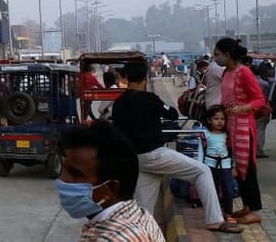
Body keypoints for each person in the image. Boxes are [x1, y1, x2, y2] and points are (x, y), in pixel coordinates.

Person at [111, 62, 240, 234]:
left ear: (126, 78)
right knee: (202, 171)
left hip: (135, 159)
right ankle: (215, 220)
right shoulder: (150, 99)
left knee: (144, 208)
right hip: (155, 154)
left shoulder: (118, 103)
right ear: (145, 78)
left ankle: (139, 234)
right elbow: (171, 113)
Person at [57, 122, 164, 241]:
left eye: (76, 174)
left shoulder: (114, 239)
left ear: (111, 188)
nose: (62, 180)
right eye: (64, 170)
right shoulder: (137, 215)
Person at [214, 38, 266, 225]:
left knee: (248, 169)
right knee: (238, 168)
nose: (215, 58)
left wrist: (241, 109)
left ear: (228, 55)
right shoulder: (226, 72)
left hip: (244, 127)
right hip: (231, 126)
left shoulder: (244, 72)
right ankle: (246, 206)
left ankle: (255, 209)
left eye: (217, 54)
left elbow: (259, 99)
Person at [202, 106, 237, 223]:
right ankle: (215, 214)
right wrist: (200, 167)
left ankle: (228, 213)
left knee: (229, 189)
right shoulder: (204, 134)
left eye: (222, 119)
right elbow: (201, 151)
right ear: (209, 120)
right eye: (216, 119)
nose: (220, 121)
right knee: (213, 190)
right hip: (209, 166)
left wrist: (234, 166)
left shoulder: (227, 135)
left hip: (226, 166)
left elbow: (233, 151)